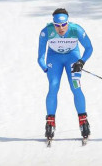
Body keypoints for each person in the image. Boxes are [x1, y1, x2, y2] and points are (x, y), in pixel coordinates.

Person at [37, 8, 93, 140]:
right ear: (53, 24)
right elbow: (40, 57)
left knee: (76, 87)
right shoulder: (46, 32)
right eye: (57, 25)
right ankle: (50, 121)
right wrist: (45, 68)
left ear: (68, 22)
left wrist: (81, 61)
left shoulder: (76, 29)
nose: (61, 28)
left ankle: (83, 120)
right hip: (54, 58)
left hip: (72, 58)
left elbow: (89, 48)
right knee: (53, 87)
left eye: (63, 25)